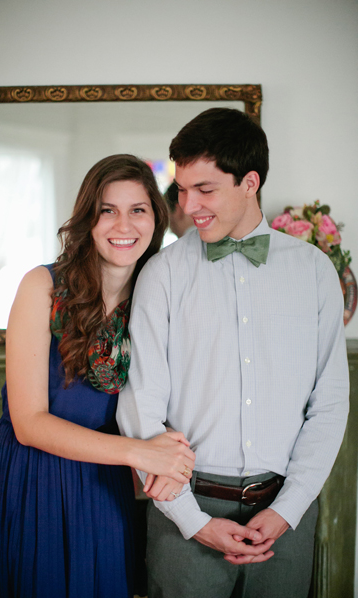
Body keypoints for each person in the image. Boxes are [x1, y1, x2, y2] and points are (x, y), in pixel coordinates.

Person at [116, 108, 349, 598]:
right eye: (181, 189)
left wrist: (288, 509)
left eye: (205, 189)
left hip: (287, 515)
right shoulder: (162, 274)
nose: (188, 204)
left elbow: (328, 405)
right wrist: (192, 520)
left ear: (250, 182)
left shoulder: (313, 272)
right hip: (183, 516)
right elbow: (140, 409)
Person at [0, 154, 196, 598]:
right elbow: (29, 422)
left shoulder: (160, 298)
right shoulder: (42, 287)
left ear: (156, 219)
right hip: (35, 473)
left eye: (138, 210)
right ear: (87, 219)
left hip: (104, 479)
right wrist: (143, 454)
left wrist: (170, 458)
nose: (124, 225)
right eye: (107, 210)